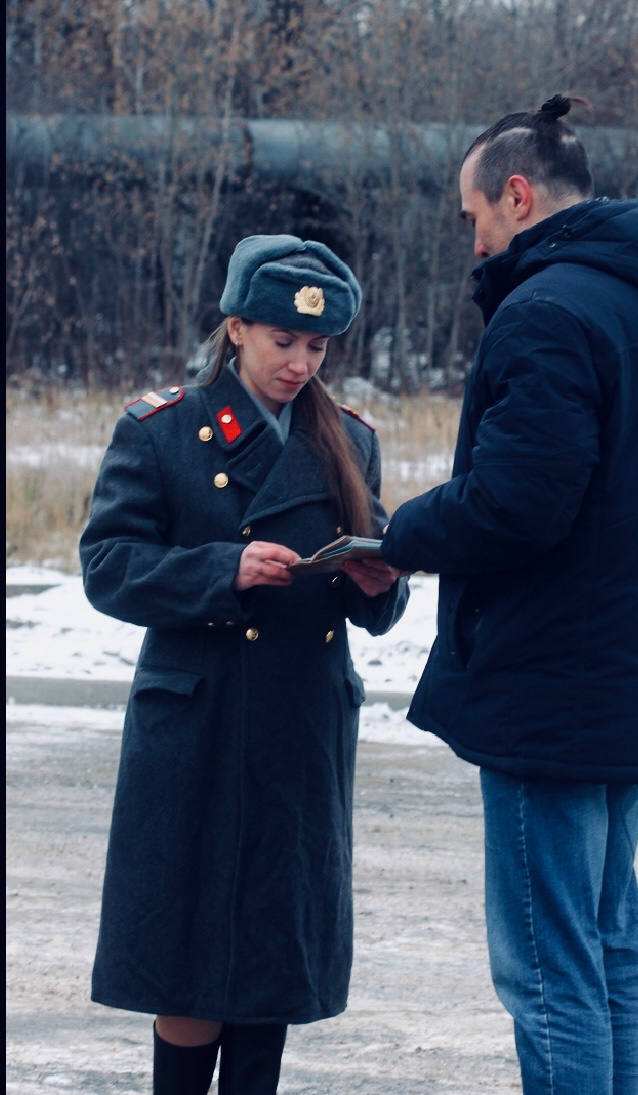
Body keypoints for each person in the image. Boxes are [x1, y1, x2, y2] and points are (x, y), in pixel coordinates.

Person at [379, 94, 638, 1094]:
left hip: (554, 687)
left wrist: (400, 535)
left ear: (519, 196)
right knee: (609, 953)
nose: (474, 240)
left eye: (474, 215)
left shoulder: (546, 312)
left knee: (547, 968)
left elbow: (517, 504)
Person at [79, 234, 409, 1095]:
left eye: (317, 346)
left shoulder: (348, 440)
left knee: (273, 960)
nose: (300, 363)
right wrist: (220, 570)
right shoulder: (161, 430)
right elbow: (107, 565)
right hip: (197, 725)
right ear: (235, 329)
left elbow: (377, 595)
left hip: (299, 726)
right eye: (282, 340)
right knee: (187, 961)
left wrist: (379, 584)